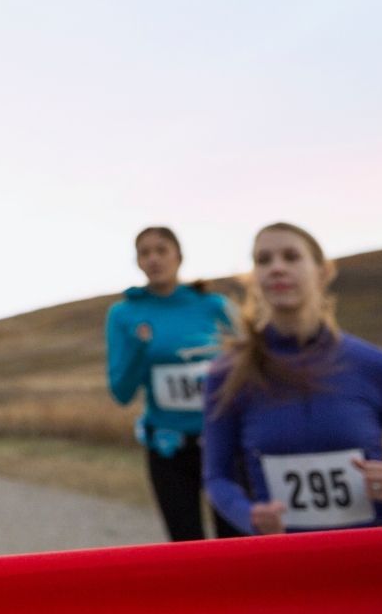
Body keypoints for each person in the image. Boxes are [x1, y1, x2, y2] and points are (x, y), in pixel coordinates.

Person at [203, 223, 382, 536]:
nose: (277, 268)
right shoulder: (227, 375)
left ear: (323, 272)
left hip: (372, 557)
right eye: (264, 260)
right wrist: (250, 516)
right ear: (255, 278)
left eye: (291, 256)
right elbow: (217, 478)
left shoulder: (379, 366)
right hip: (285, 562)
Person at [104, 226, 242, 541]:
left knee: (236, 542)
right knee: (186, 545)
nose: (153, 258)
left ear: (179, 256)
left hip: (223, 443)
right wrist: (141, 349)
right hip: (168, 450)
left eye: (161, 250)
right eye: (145, 252)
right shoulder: (124, 314)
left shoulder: (214, 306)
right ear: (137, 262)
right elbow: (121, 392)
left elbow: (249, 368)